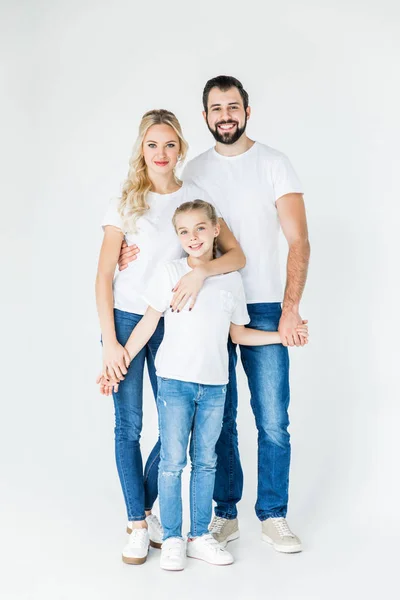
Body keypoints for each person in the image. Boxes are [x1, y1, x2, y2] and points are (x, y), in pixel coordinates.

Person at [118, 76, 311, 553]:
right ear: (204, 117)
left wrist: (290, 310)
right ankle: (224, 514)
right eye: (216, 108)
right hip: (202, 309)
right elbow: (175, 228)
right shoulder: (196, 172)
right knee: (217, 420)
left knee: (271, 418)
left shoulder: (274, 164)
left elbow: (297, 241)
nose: (225, 115)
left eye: (233, 106)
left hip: (261, 303)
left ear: (247, 110)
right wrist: (131, 249)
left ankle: (274, 515)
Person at [101, 200, 309, 571]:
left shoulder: (231, 281)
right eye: (183, 231)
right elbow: (148, 324)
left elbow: (239, 334)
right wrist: (119, 362)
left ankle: (200, 536)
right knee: (172, 462)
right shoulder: (170, 273)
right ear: (177, 237)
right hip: (175, 384)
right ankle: (174, 540)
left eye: (200, 228)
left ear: (216, 230)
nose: (192, 237)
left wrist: (280, 336)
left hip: (215, 387)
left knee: (206, 462)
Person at [95, 109, 245, 565]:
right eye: (152, 144)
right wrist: (110, 345)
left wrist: (200, 274)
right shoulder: (125, 202)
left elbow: (234, 254)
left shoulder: (195, 196)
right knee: (129, 425)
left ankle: (143, 508)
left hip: (176, 321)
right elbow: (103, 276)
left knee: (179, 424)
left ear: (180, 148)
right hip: (125, 321)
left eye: (169, 144)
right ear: (142, 149)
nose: (161, 154)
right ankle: (139, 524)